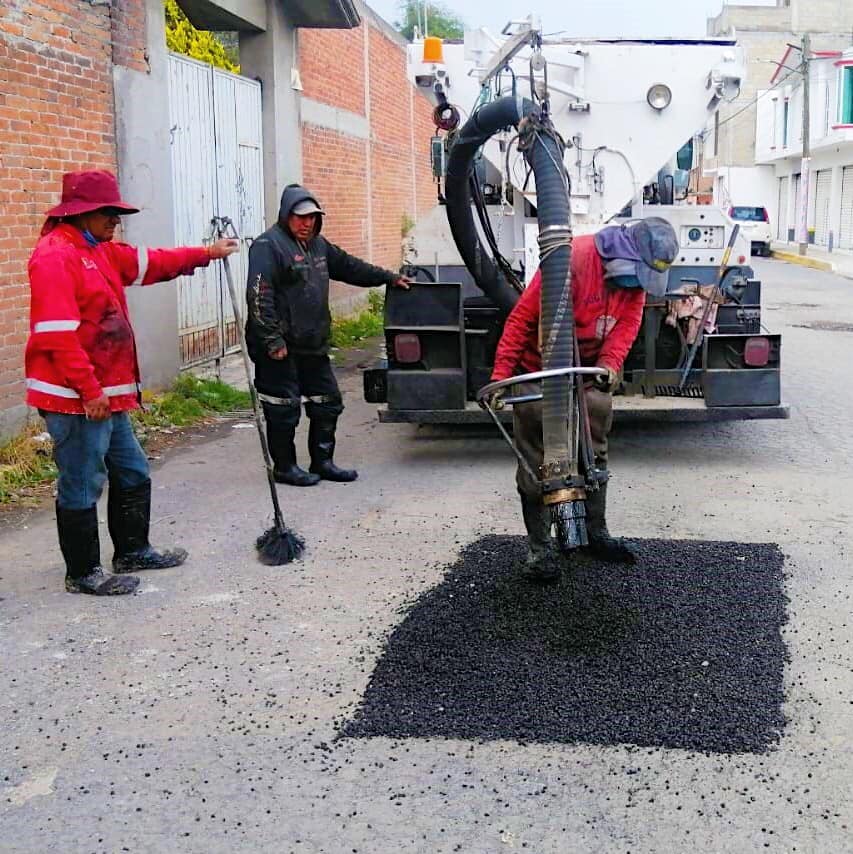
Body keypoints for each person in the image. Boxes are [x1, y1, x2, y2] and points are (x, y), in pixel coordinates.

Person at [27, 169, 239, 596]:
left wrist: (207, 252)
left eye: (117, 214)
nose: (116, 221)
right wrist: (90, 392)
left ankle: (132, 549)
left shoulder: (100, 250)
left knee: (132, 469)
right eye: (108, 213)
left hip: (107, 394)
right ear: (81, 213)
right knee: (83, 481)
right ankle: (83, 572)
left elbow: (153, 262)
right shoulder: (55, 255)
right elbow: (55, 335)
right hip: (77, 396)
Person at [490, 217, 679, 581]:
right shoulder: (572, 260)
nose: (637, 287)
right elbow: (521, 319)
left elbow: (627, 324)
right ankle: (540, 550)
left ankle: (596, 532)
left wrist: (610, 363)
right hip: (541, 369)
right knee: (537, 458)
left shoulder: (635, 281)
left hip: (587, 373)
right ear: (623, 254)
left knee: (596, 442)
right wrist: (501, 376)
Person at [245, 184, 410, 487]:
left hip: (313, 343)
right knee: (283, 408)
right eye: (300, 217)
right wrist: (271, 340)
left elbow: (350, 267)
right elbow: (258, 296)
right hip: (279, 347)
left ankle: (323, 461)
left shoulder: (319, 246)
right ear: (287, 215)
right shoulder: (268, 247)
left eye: (312, 218)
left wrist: (388, 277)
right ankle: (285, 467)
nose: (307, 223)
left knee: (327, 401)